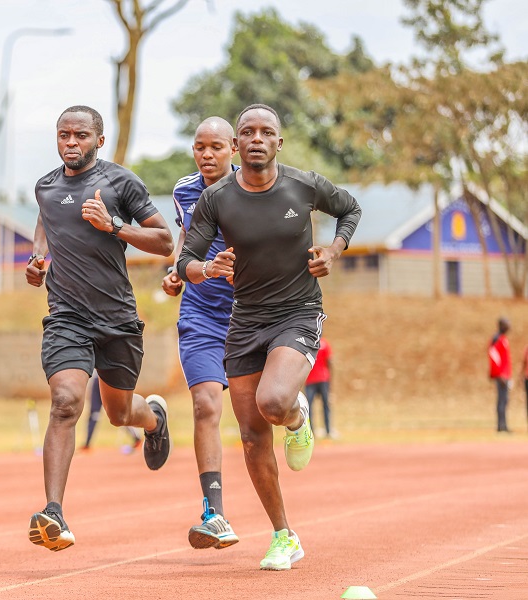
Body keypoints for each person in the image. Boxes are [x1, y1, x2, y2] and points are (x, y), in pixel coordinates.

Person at [177, 103, 361, 570]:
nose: (256, 138)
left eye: (267, 132)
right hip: (245, 320)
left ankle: (297, 417)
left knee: (274, 402)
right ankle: (284, 535)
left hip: (298, 312)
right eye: (247, 132)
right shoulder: (216, 199)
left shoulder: (304, 185)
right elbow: (186, 261)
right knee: (253, 436)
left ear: (279, 142)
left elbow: (351, 209)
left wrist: (333, 252)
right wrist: (206, 269)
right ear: (237, 146)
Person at [25, 105, 174, 552]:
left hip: (118, 320)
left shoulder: (120, 183)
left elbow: (165, 242)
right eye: (63, 135)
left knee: (118, 414)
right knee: (66, 402)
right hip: (67, 317)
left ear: (98, 140)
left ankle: (153, 418)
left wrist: (115, 226)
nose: (71, 143)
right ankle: (53, 511)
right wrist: (37, 260)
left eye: (81, 135)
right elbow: (45, 222)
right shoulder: (46, 187)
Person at [160, 116, 241, 551]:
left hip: (252, 314)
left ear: (233, 148)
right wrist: (175, 272)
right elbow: (186, 238)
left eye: (215, 147)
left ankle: (294, 410)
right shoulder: (184, 190)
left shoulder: (256, 187)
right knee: (206, 404)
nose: (206, 155)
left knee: (263, 412)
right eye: (199, 147)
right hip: (201, 315)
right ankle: (215, 514)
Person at [80, 371, 141, 454]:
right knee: (94, 413)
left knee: (118, 413)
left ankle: (137, 438)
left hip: (110, 377)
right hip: (97, 378)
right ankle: (87, 444)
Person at [304, 337, 334, 438]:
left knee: (309, 407)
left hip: (310, 379)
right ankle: (328, 431)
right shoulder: (325, 344)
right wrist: (330, 380)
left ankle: (311, 431)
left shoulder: (307, 343)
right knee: (325, 405)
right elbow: (329, 362)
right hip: (323, 378)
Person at [488, 317, 511, 433]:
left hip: (505, 375)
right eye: (507, 324)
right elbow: (493, 356)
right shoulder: (497, 339)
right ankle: (501, 426)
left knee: (505, 400)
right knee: (502, 400)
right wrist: (500, 373)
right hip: (501, 376)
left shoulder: (503, 339)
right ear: (501, 325)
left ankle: (504, 425)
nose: (509, 326)